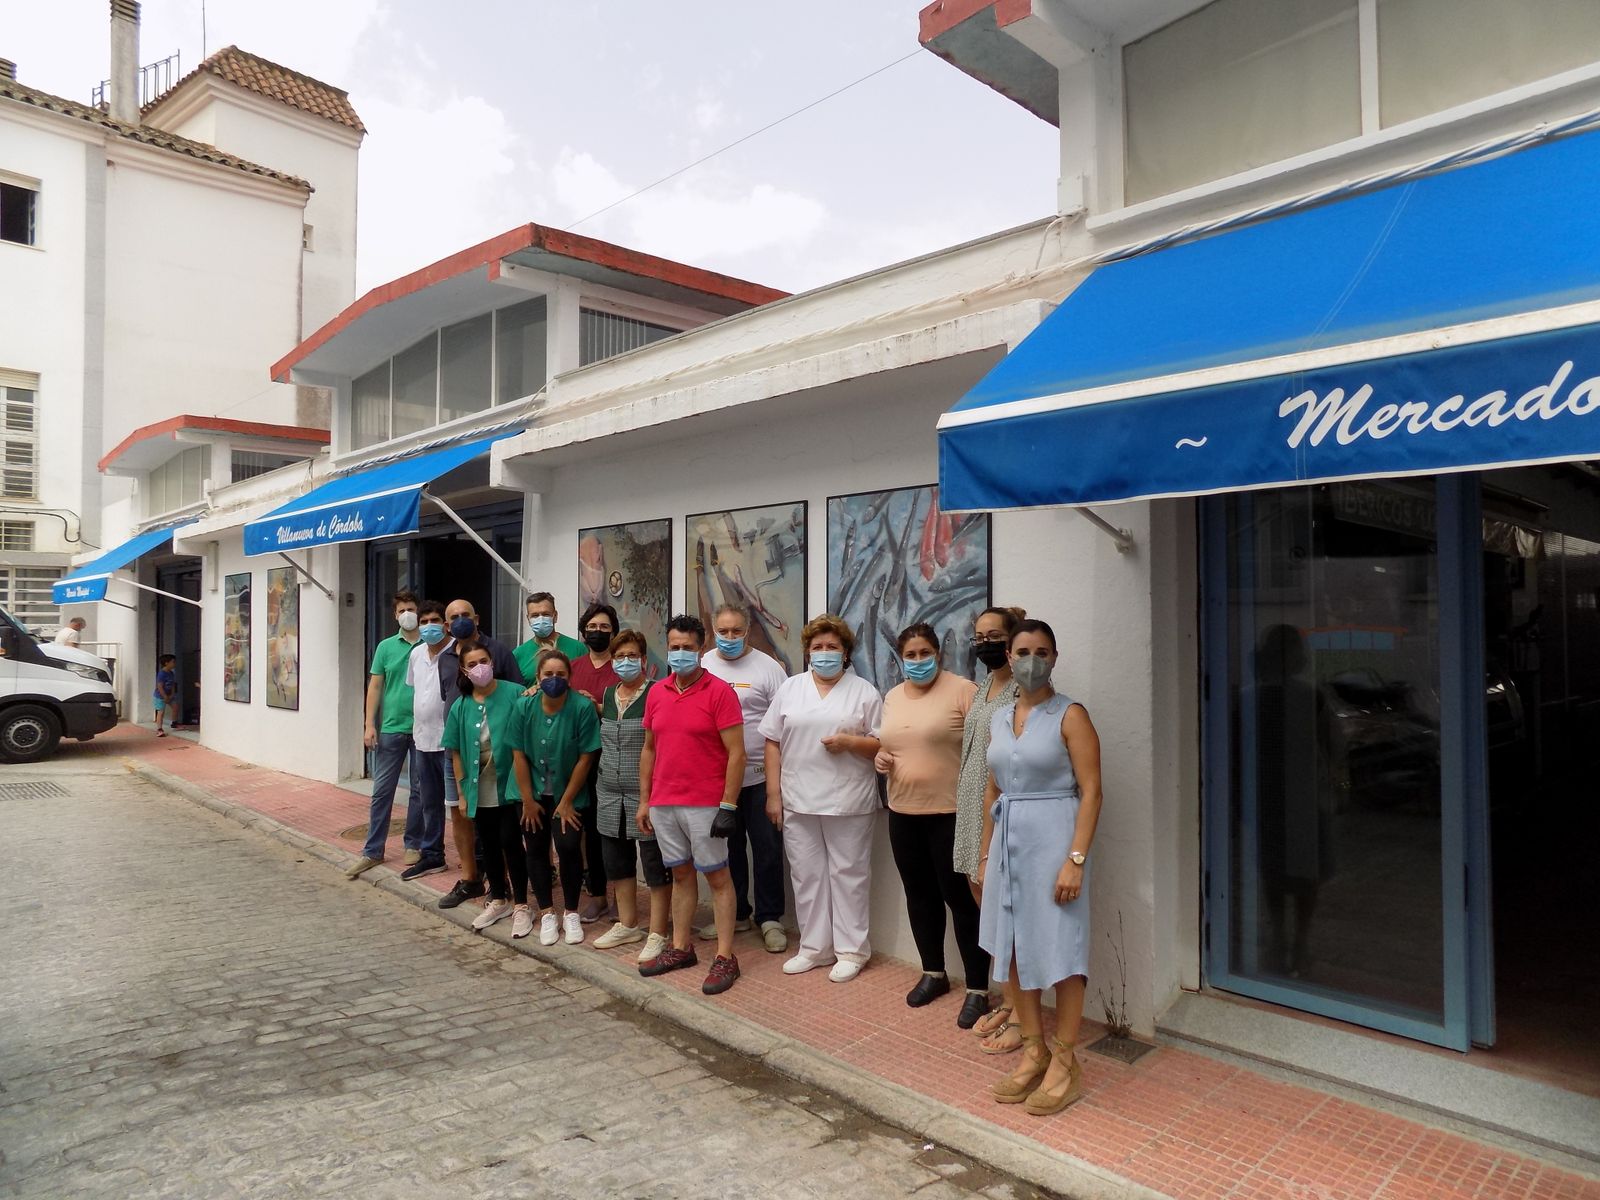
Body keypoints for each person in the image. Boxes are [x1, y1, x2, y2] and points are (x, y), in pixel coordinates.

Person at [978, 619, 1103, 1116]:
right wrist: (986, 854)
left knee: (1062, 951)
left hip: (1054, 839)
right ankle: (1034, 1050)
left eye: (1042, 651)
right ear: (1009, 656)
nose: (1032, 659)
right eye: (1023, 650)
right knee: (1010, 948)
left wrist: (1075, 860)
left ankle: (1067, 1061)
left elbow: (1092, 790)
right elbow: (993, 786)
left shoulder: (1070, 715)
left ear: (1054, 657)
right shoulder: (998, 718)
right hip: (1008, 842)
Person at [875, 622, 989, 1027]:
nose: (918, 661)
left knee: (961, 901)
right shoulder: (892, 696)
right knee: (919, 896)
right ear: (900, 658)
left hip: (951, 814)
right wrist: (880, 760)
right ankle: (933, 973)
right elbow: (888, 746)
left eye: (925, 653)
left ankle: (978, 989)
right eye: (911, 655)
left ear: (938, 654)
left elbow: (986, 752)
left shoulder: (963, 691)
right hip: (903, 812)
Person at [759, 615, 882, 983]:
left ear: (845, 653)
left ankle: (851, 950)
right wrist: (773, 794)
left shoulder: (865, 692)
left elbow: (880, 744)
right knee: (807, 875)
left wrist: (849, 743)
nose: (825, 653)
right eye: (817, 648)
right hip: (797, 798)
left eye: (832, 647)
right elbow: (772, 740)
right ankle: (814, 948)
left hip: (849, 800)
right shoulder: (792, 688)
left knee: (850, 875)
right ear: (808, 652)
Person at [636, 614, 747, 995]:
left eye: (687, 647)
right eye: (674, 647)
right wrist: (645, 801)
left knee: (717, 877)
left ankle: (725, 957)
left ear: (701, 649)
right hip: (665, 803)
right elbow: (649, 749)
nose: (680, 653)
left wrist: (728, 806)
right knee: (680, 875)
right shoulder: (657, 692)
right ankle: (681, 948)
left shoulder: (719, 692)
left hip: (705, 803)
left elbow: (737, 754)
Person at [699, 603, 789, 953]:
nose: (731, 637)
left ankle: (770, 918)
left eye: (737, 631)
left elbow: (781, 724)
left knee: (767, 849)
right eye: (724, 631)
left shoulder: (768, 668)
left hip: (759, 778)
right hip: (718, 781)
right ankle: (736, 915)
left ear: (748, 631)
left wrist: (775, 784)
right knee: (728, 848)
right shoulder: (703, 665)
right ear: (713, 631)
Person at [958, 607, 1026, 1053]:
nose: (985, 644)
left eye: (995, 636)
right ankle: (1009, 998)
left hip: (999, 809)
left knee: (1009, 912)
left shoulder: (1023, 690)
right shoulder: (984, 686)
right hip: (969, 805)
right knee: (986, 907)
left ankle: (1023, 1014)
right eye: (979, 636)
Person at [510, 648, 600, 946]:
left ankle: (571, 913)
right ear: (538, 678)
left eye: (561, 674)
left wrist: (566, 800)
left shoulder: (582, 708)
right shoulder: (524, 707)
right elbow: (518, 754)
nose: (554, 679)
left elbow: (586, 757)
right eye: (548, 674)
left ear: (570, 678)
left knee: (569, 847)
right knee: (535, 849)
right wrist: (527, 800)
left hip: (569, 795)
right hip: (531, 793)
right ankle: (548, 912)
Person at [434, 599, 520, 910]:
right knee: (460, 813)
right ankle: (471, 880)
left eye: (465, 615)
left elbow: (518, 696)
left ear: (477, 617)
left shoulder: (498, 651)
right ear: (447, 625)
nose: (459, 621)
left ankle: (506, 884)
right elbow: (448, 698)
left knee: (503, 826)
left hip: (499, 756)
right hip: (458, 750)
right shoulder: (445, 658)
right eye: (453, 617)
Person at [592, 629, 672, 962]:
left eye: (632, 655)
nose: (625, 662)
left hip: (647, 793)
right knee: (617, 861)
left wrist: (650, 795)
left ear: (643, 658)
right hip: (609, 792)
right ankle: (628, 924)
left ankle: (658, 932)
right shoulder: (608, 695)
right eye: (619, 656)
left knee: (654, 863)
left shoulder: (657, 693)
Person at [444, 643, 533, 939]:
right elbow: (456, 751)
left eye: (484, 660)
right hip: (478, 786)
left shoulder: (513, 692)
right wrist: (462, 792)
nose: (479, 667)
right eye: (473, 663)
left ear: (492, 662)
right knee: (489, 844)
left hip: (510, 783)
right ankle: (498, 899)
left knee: (511, 841)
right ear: (464, 670)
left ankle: (522, 904)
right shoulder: (461, 705)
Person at [348, 590, 423, 879]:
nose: (408, 614)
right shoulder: (386, 647)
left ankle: (413, 844)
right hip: (392, 728)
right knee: (382, 792)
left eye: (412, 608)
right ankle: (372, 850)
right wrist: (369, 724)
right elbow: (375, 686)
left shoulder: (429, 645)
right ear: (395, 615)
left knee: (419, 790)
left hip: (423, 731)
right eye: (403, 609)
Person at [568, 601, 621, 924]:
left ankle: (620, 897)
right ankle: (597, 894)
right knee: (588, 828)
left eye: (604, 628)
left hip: (614, 757)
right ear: (583, 631)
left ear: (614, 632)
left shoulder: (623, 666)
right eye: (592, 628)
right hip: (578, 759)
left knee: (615, 831)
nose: (598, 633)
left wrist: (598, 707)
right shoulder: (572, 666)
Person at [401, 599, 456, 881]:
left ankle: (477, 861)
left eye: (434, 621)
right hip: (422, 740)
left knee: (461, 804)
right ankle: (433, 855)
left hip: (450, 742)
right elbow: (416, 691)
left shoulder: (458, 652)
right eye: (424, 622)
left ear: (445, 624)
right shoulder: (416, 654)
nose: (429, 626)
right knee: (429, 801)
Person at [515, 592, 585, 686]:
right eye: (535, 615)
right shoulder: (518, 654)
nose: (541, 619)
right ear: (528, 619)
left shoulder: (578, 649)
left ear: (555, 616)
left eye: (546, 614)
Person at [152, 654, 178, 737]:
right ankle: (159, 729)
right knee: (161, 712)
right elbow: (159, 686)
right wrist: (164, 696)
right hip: (160, 696)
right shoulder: (162, 674)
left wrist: (172, 694)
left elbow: (173, 684)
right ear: (166, 663)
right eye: (173, 662)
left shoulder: (171, 673)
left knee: (175, 707)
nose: (174, 664)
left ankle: (174, 723)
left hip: (169, 695)